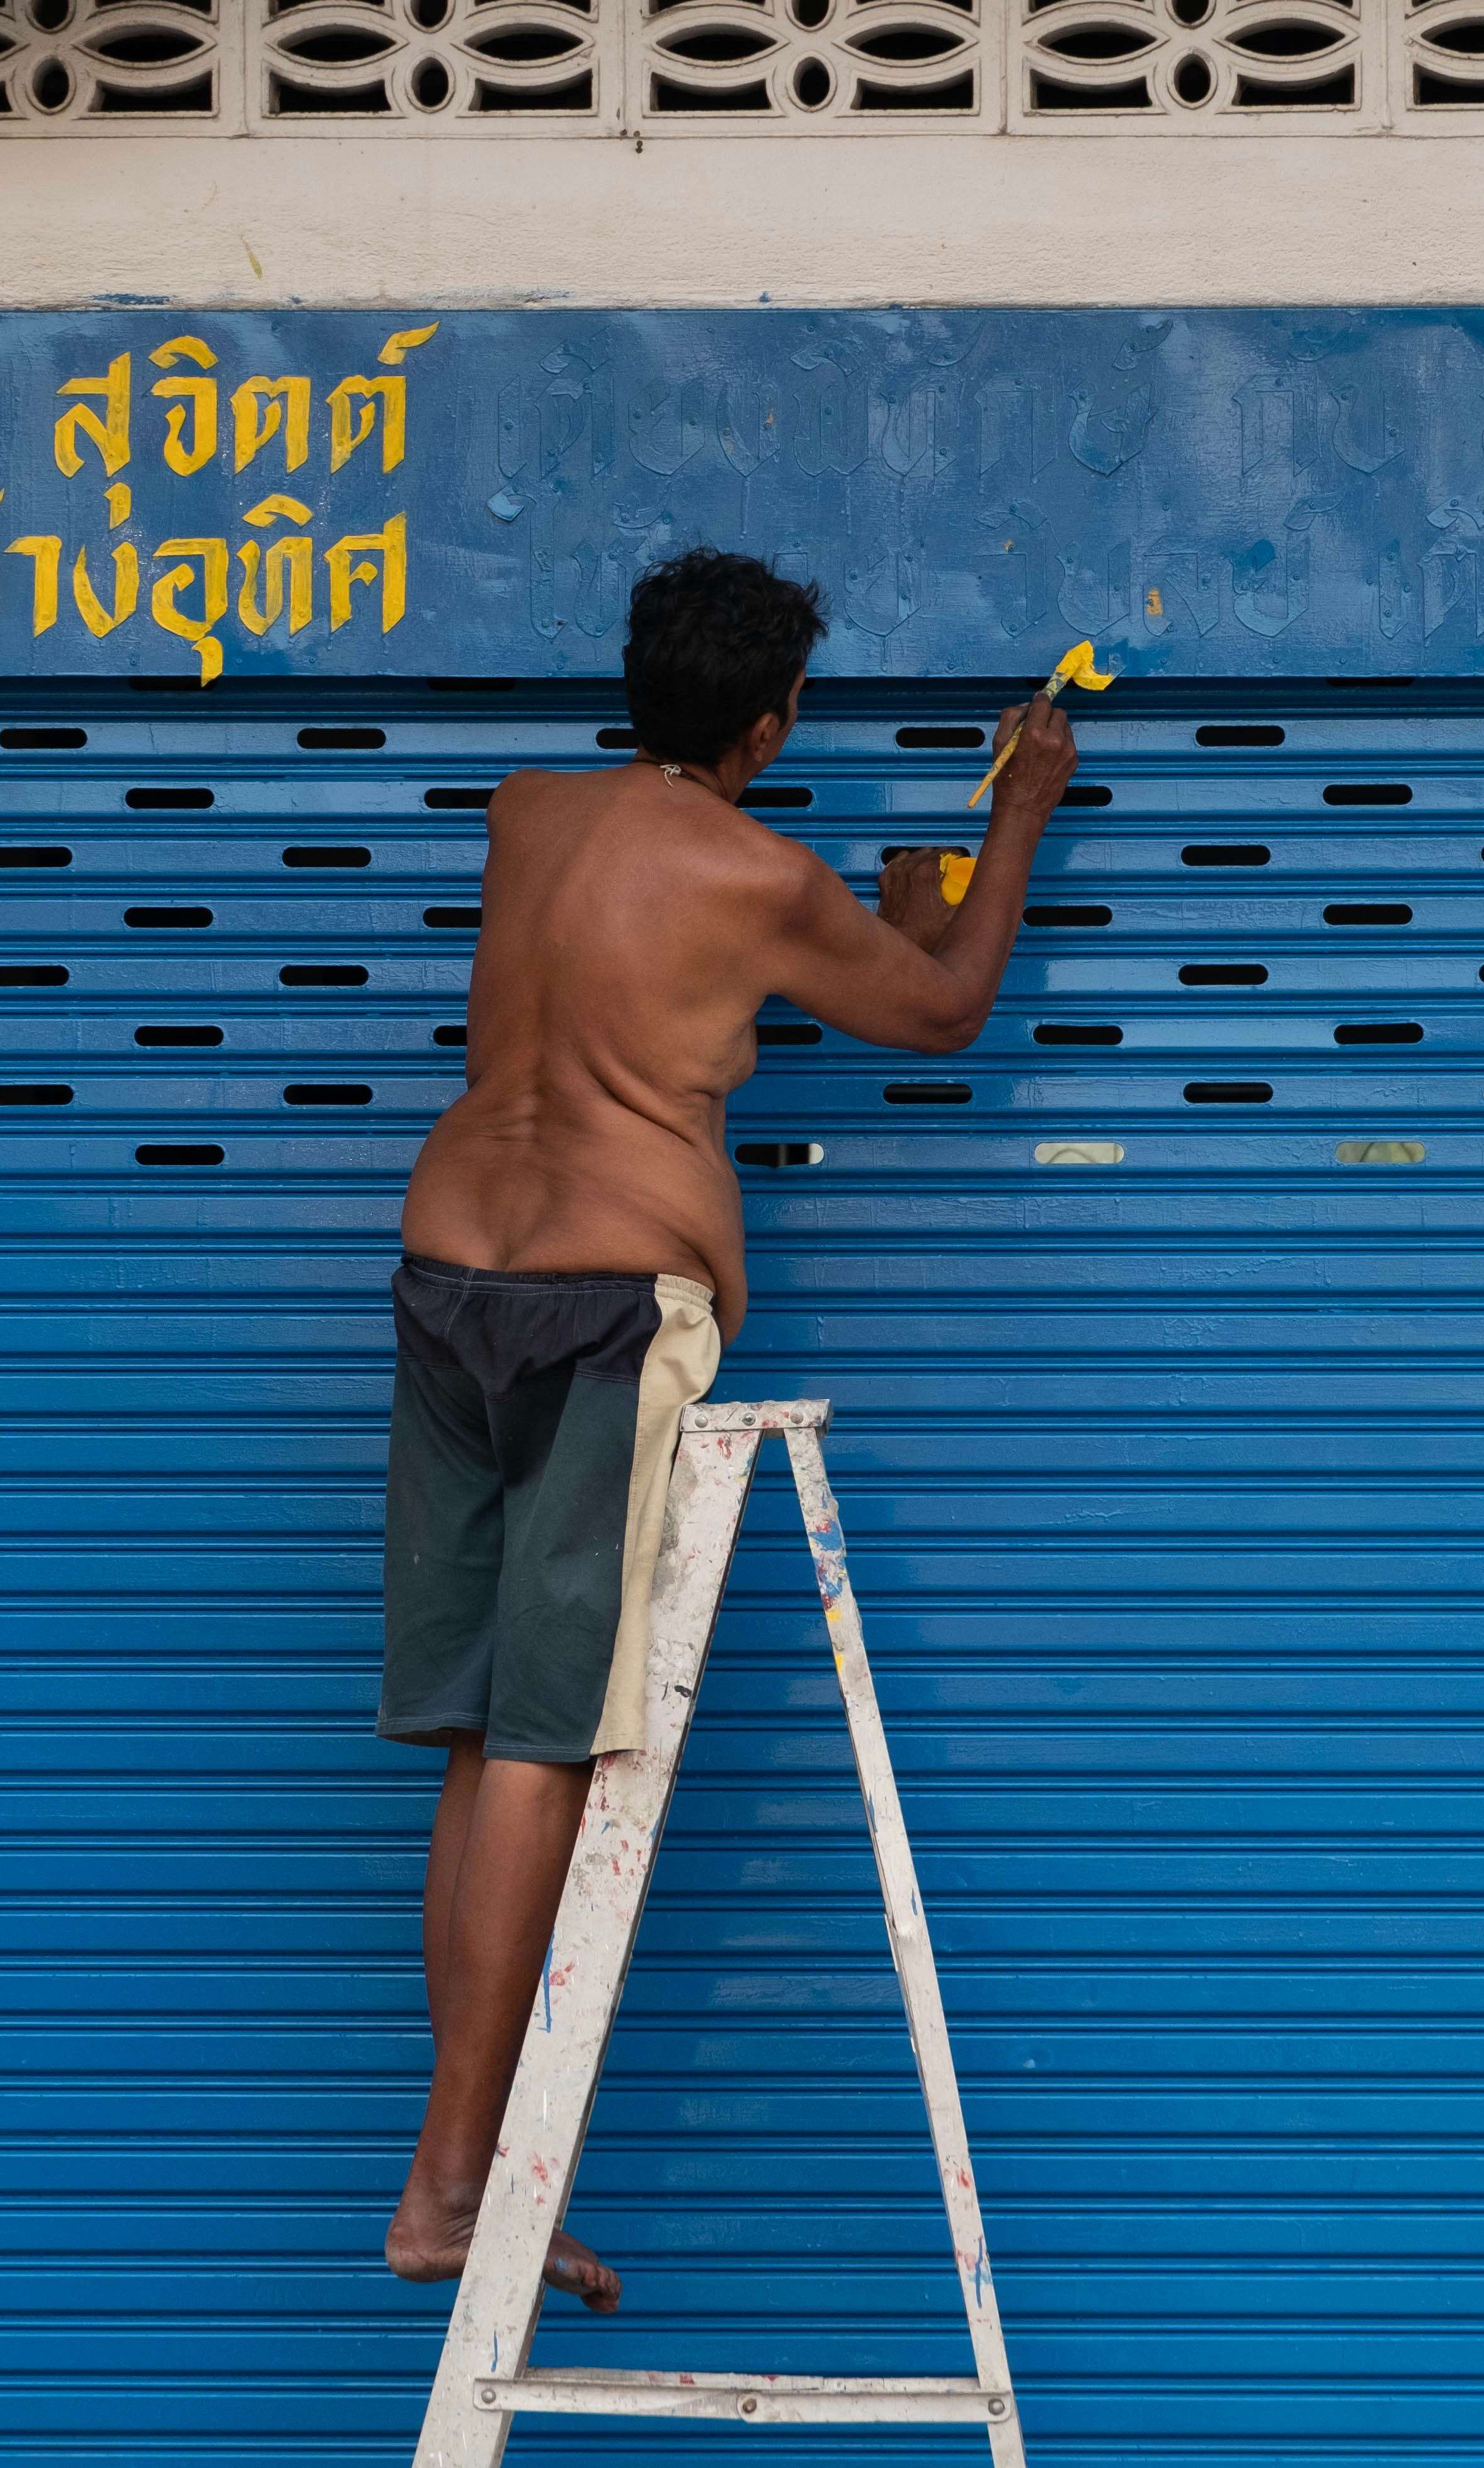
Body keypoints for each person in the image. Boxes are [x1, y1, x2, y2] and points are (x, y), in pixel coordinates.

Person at [378, 546, 1079, 2309]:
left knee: (480, 1740)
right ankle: (456, 2187)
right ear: (773, 726)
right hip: (609, 1311)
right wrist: (1017, 827)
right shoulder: (761, 875)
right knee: (549, 1738)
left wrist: (873, 907)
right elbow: (937, 1011)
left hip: (447, 1274)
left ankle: (447, 2165)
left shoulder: (529, 814)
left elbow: (672, 973)